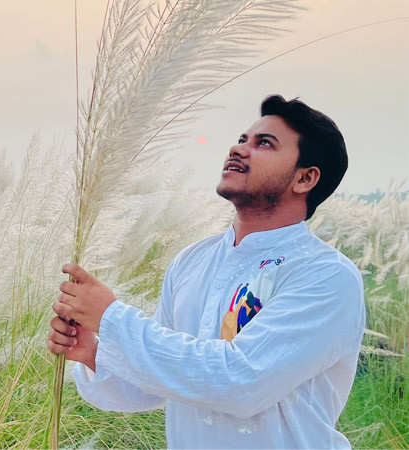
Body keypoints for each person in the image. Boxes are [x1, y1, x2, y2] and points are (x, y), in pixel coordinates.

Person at [47, 95, 365, 448]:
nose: (238, 149)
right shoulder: (192, 261)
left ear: (305, 178)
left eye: (264, 144)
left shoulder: (325, 275)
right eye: (242, 139)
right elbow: (161, 385)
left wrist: (111, 318)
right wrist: (93, 352)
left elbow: (240, 383)